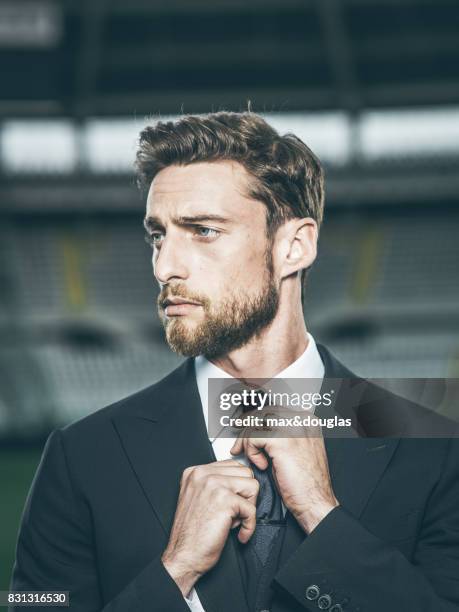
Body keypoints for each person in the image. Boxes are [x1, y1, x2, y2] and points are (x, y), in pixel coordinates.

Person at [9, 112, 459, 612]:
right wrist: (174, 572)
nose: (164, 267)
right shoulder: (80, 458)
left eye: (202, 230)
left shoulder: (434, 442)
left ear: (295, 245)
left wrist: (321, 514)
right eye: (157, 236)